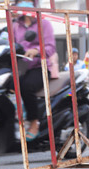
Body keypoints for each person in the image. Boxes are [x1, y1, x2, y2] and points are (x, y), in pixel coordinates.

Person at [12, 0, 57, 140]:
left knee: (26, 87)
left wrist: (36, 50)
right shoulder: (14, 25)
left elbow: (50, 47)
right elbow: (9, 44)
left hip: (40, 67)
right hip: (21, 67)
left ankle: (34, 122)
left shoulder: (44, 24)